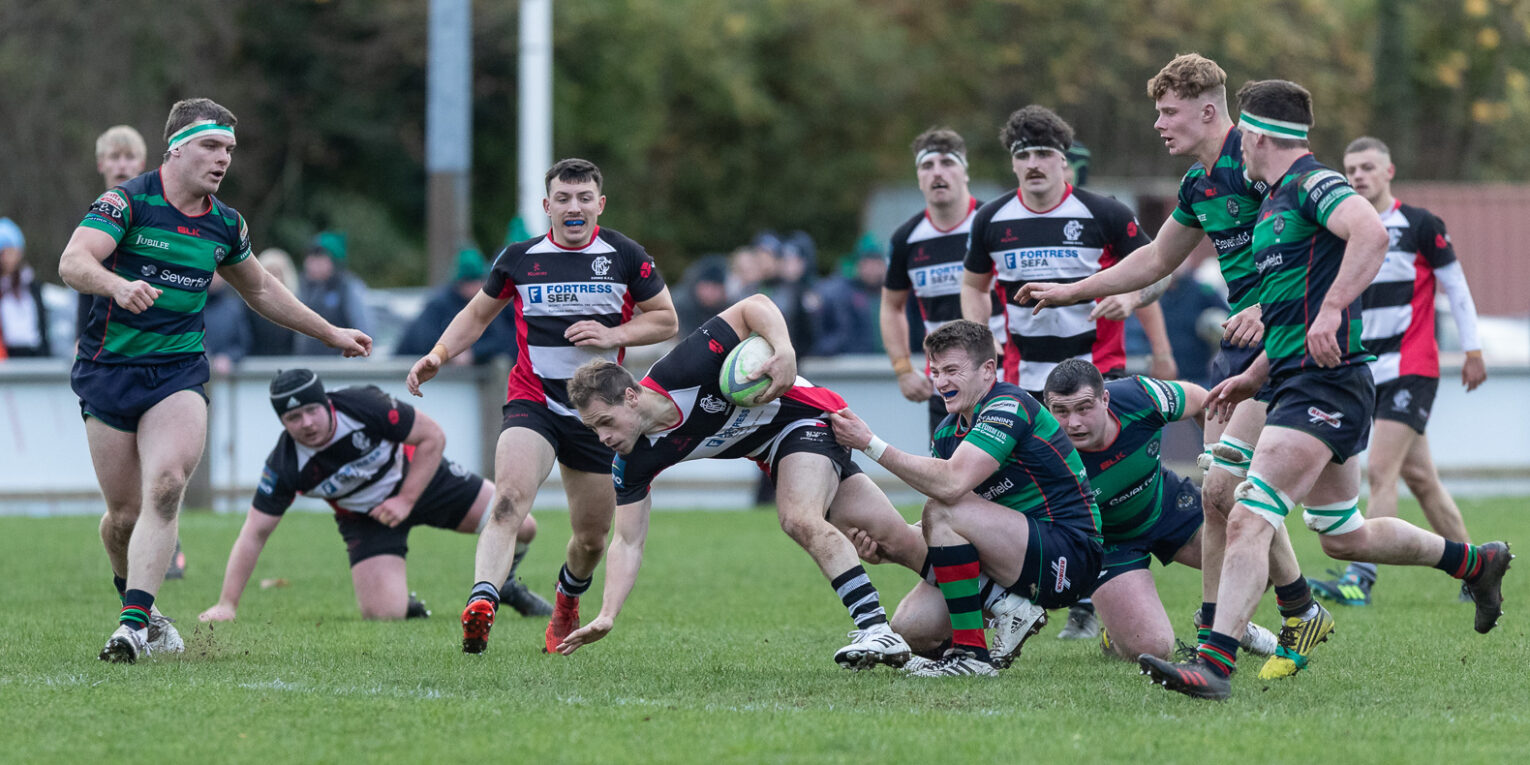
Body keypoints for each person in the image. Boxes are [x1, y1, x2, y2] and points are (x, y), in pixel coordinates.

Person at [1137, 79, 1512, 700]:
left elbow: (1372, 234)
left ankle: (1215, 662)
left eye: (1244, 137)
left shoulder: (1313, 183)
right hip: (1292, 379)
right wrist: (1252, 374)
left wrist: (1334, 309)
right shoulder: (1278, 199)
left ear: (1256, 136)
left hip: (1325, 385)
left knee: (1250, 514)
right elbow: (1287, 307)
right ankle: (1476, 561)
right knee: (1342, 532)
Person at [1017, 54, 1317, 676]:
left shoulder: (1261, 164)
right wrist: (1071, 290)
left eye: (1167, 111)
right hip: (1243, 346)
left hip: (1289, 340)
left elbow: (1317, 244)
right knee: (1221, 494)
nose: (1158, 124)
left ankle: (1278, 617)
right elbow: (1156, 260)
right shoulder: (1197, 185)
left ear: (1208, 110)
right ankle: (1258, 621)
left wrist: (1269, 303)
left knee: (1261, 498)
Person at [61, 97, 371, 663]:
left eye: (229, 148)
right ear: (176, 147)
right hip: (108, 371)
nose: (223, 157)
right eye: (211, 145)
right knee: (124, 518)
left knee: (167, 485)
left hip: (178, 371)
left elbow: (260, 290)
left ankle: (131, 626)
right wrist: (115, 286)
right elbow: (73, 261)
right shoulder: (126, 202)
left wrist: (330, 332)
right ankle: (143, 608)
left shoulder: (226, 223)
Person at [555, 295, 927, 669]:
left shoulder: (684, 368)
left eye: (606, 422)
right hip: (776, 451)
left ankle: (875, 627)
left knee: (798, 517)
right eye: (593, 429)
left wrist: (784, 350)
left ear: (631, 397)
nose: (603, 437)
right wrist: (607, 614)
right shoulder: (632, 461)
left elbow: (754, 305)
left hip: (810, 418)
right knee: (896, 540)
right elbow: (627, 541)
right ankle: (981, 600)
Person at [405, 158, 679, 655]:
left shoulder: (624, 255)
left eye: (583, 198)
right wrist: (439, 354)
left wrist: (614, 333)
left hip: (598, 416)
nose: (573, 208)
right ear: (546, 205)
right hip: (534, 400)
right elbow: (477, 314)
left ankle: (567, 602)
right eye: (563, 198)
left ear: (600, 204)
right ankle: (483, 599)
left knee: (593, 539)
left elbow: (665, 320)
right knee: (508, 499)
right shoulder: (520, 258)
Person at [960, 105, 1172, 641]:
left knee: (1096, 486)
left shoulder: (1102, 212)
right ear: (1014, 165)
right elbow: (973, 283)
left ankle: (1096, 594)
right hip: (1025, 378)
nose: (1034, 164)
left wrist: (1131, 297)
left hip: (1099, 373)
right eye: (1023, 156)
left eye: (1043, 155)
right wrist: (975, 338)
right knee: (1025, 489)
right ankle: (1050, 592)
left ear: (1064, 162)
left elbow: (1159, 272)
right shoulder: (991, 220)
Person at [831, 320, 1104, 677]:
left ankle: (972, 655)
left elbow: (950, 489)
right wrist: (890, 548)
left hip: (1070, 553)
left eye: (952, 370)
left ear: (988, 370)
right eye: (935, 371)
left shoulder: (1009, 404)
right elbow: (955, 519)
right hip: (1010, 553)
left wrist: (869, 443)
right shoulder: (948, 432)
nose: (940, 382)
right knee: (909, 629)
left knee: (941, 509)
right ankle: (1002, 607)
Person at [197, 370, 549, 623]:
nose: (306, 422)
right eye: (293, 417)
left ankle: (503, 585)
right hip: (367, 519)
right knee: (383, 615)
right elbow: (254, 533)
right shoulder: (286, 463)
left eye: (311, 410)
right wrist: (227, 603)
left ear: (327, 404)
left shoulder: (363, 404)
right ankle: (402, 601)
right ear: (283, 423)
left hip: (424, 481)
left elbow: (432, 438)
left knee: (524, 526)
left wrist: (406, 499)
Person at [1308, 137, 1490, 606]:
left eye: (1368, 167)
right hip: (1366, 369)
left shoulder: (1419, 224)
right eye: (1351, 169)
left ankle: (1359, 578)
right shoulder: (1341, 229)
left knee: (1382, 470)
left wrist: (1473, 349)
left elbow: (1457, 288)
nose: (1358, 176)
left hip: (1412, 367)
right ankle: (1481, 568)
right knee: (1422, 479)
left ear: (1389, 172)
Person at [1041, 360, 1277, 660]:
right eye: (1061, 412)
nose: (1073, 423)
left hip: (1166, 505)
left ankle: (1220, 622)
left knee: (1262, 557)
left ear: (1105, 399)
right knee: (1153, 649)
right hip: (1109, 544)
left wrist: (1219, 466)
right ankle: (1115, 632)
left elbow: (1204, 401)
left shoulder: (1140, 396)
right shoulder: (1043, 451)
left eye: (1084, 408)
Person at [881, 128, 1006, 435]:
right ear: (919, 177)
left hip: (1004, 378)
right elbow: (891, 307)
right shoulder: (907, 238)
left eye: (947, 163)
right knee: (949, 479)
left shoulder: (996, 222)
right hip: (946, 388)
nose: (937, 172)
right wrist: (902, 370)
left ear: (965, 171)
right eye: (927, 165)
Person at [77, 126, 150, 340]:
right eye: (114, 156)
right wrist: (79, 338)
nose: (122, 164)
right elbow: (84, 285)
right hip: (102, 338)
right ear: (101, 164)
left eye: (129, 157)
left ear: (142, 164)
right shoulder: (93, 220)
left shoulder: (155, 217)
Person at [396, 248, 517, 365]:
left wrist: (474, 353)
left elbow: (502, 338)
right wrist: (447, 353)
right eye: (471, 282)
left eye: (480, 281)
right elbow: (423, 340)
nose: (477, 287)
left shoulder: (490, 302)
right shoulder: (439, 305)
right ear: (459, 283)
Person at [294, 231, 372, 355]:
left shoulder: (348, 287)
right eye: (310, 256)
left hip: (338, 367)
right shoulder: (303, 287)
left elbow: (365, 330)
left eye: (319, 257)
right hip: (306, 363)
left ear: (334, 261)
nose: (311, 262)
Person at [812, 239, 885, 356]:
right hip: (854, 364)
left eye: (876, 263)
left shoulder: (894, 294)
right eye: (866, 263)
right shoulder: (845, 293)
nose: (872, 269)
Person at [0, 217, 50, 358]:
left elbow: (41, 324)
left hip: (34, 353)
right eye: (6, 252)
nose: (10, 258)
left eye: (14, 252)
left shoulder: (31, 284)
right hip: (6, 354)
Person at [247, 248, 299, 356]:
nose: (272, 278)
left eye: (276, 273)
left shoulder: (298, 307)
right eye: (268, 273)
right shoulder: (247, 307)